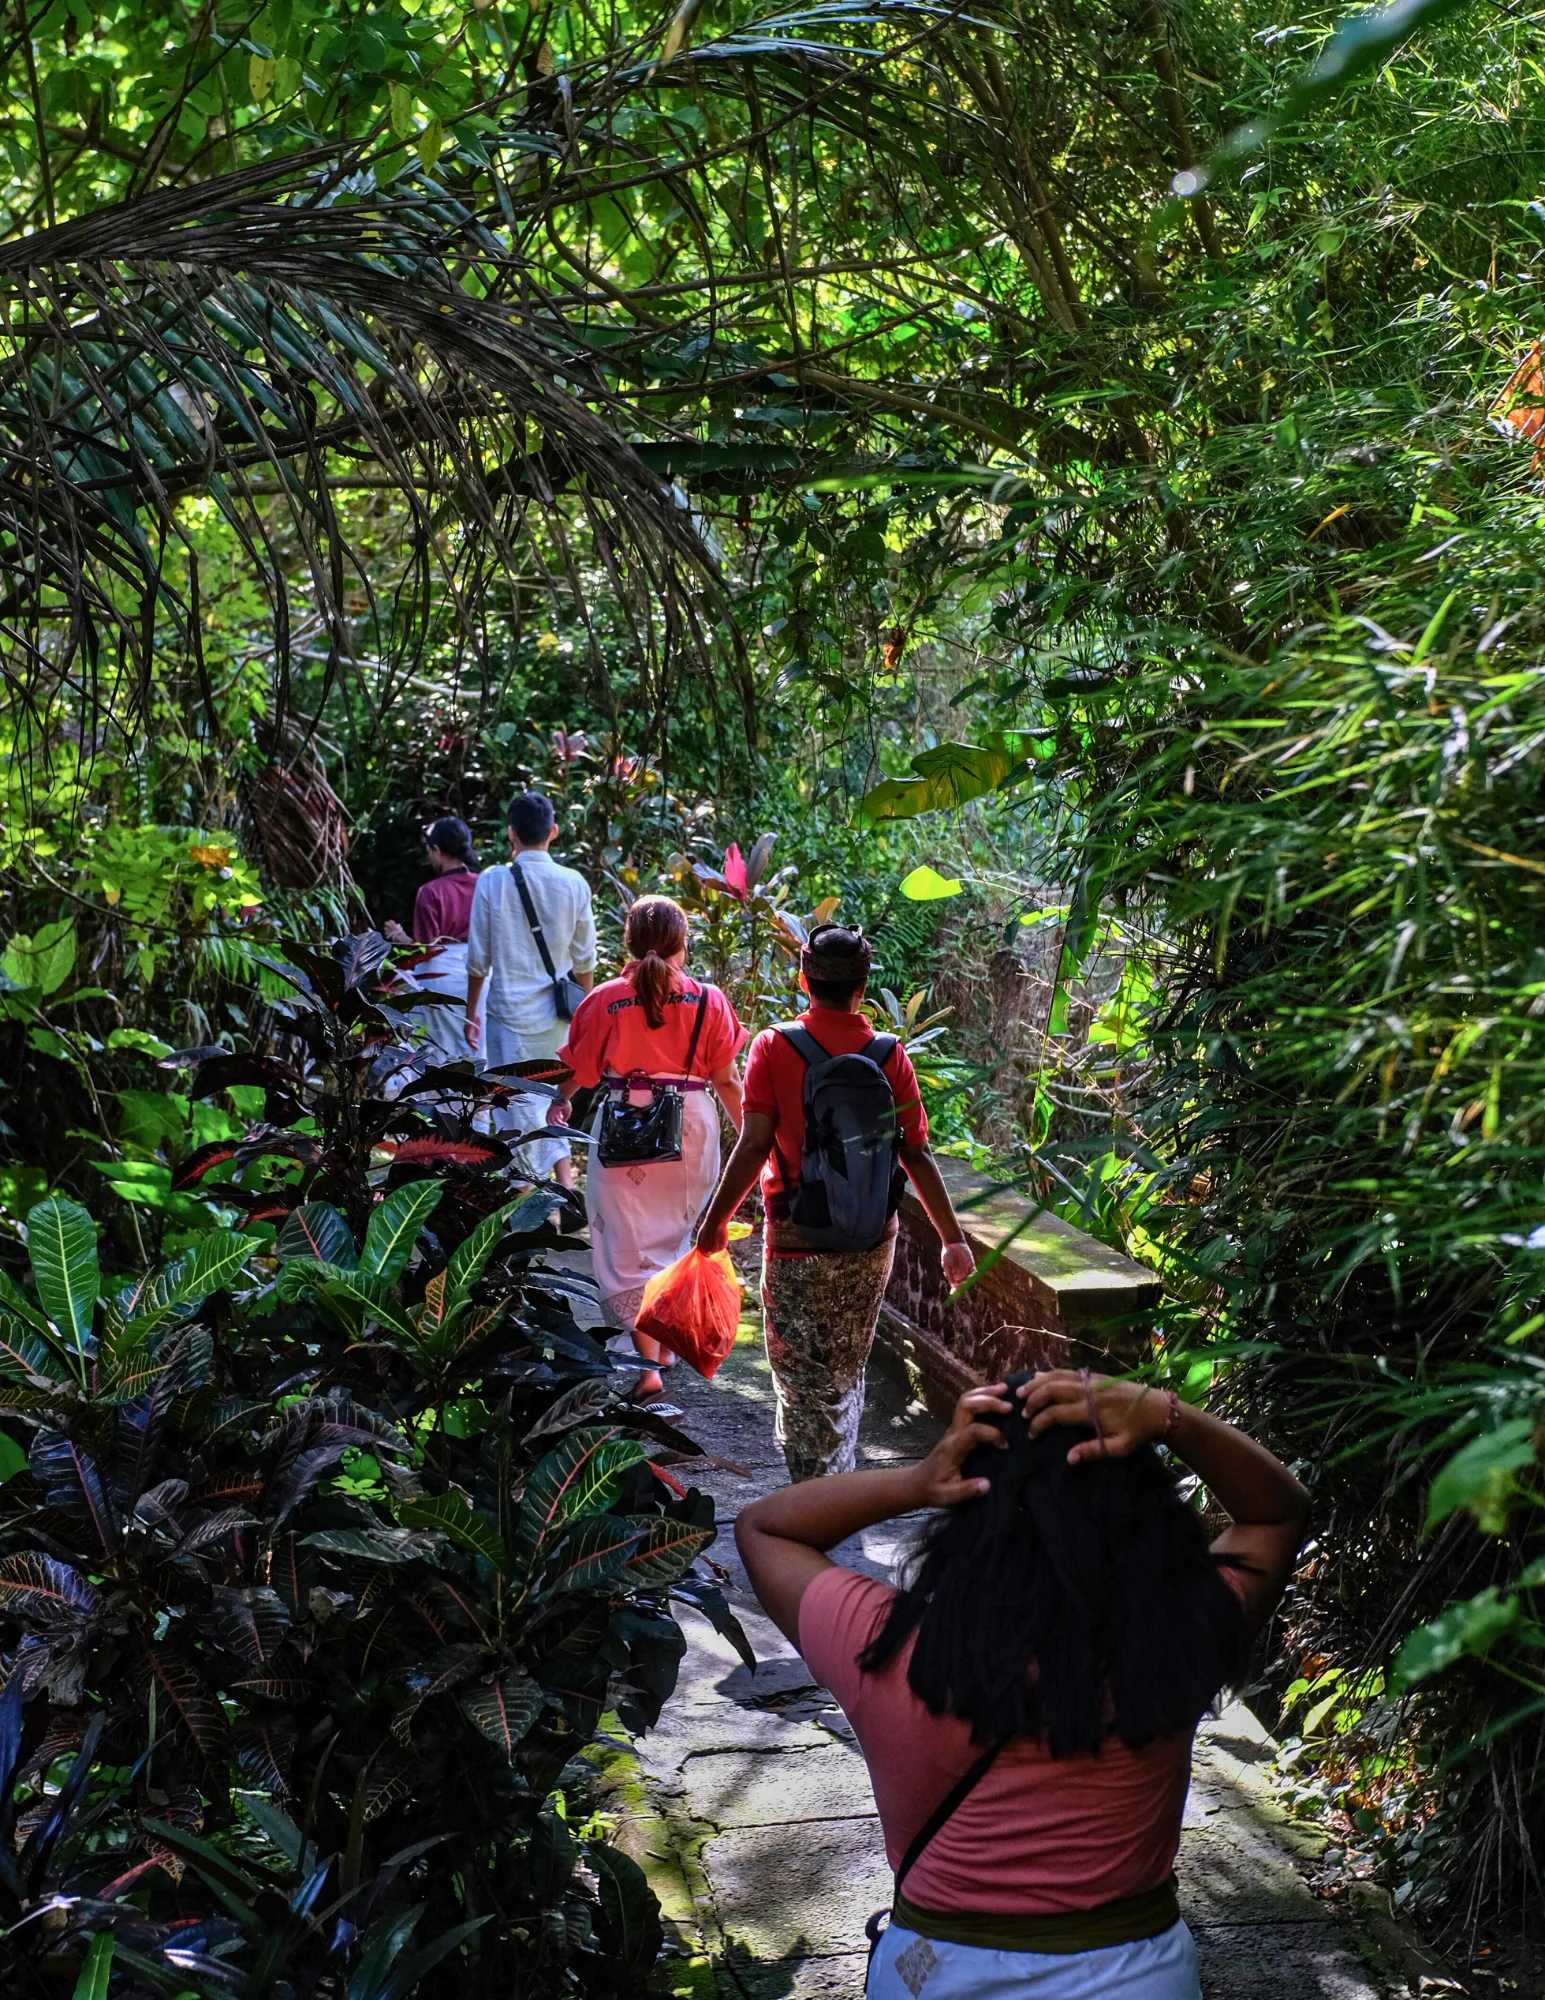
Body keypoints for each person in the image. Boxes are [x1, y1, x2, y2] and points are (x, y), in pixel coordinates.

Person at [735, 1369, 1311, 2000]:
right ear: (1146, 1510)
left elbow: (765, 1529)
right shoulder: (1182, 1636)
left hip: (937, 1974)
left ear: (966, 1511)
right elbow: (1278, 1511)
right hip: (1143, 1978)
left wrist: (916, 1481)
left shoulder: (888, 1648)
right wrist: (1169, 1417)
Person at [696, 923, 975, 1480]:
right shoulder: (889, 1054)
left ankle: (814, 1496)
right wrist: (952, 1240)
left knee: (801, 1379)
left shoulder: (773, 1046)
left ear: (805, 981)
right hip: (871, 1238)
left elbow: (754, 1145)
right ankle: (834, 1484)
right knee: (844, 1371)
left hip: (796, 1233)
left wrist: (715, 1222)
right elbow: (916, 1155)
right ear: (862, 988)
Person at [546, 896, 745, 1398]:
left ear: (630, 943)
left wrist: (560, 1100)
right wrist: (751, 1136)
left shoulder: (606, 999)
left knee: (626, 1246)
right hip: (690, 1129)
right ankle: (665, 1343)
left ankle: (648, 1370)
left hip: (624, 1126)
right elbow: (727, 1081)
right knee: (675, 1238)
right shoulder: (709, 1000)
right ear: (683, 944)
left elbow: (582, 1069)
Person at [464, 792, 596, 1186]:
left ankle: (523, 1194)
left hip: (506, 1017)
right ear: (553, 831)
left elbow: (478, 960)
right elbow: (585, 962)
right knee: (548, 1103)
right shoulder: (574, 883)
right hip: (557, 1019)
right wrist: (583, 1015)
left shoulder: (492, 881)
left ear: (511, 833)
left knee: (514, 1111)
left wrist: (471, 1013)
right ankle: (559, 1190)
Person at [383, 817, 480, 1064]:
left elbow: (426, 949)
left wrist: (398, 936)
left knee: (437, 1050)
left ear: (436, 850)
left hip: (441, 975)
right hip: (480, 976)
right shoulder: (483, 884)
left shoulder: (431, 891)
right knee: (476, 1047)